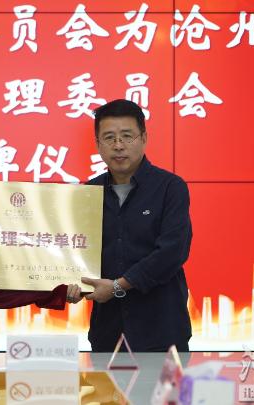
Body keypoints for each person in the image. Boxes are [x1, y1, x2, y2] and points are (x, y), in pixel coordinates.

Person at [75, 99, 193, 352]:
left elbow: (172, 252)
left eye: (127, 136)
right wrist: (71, 284)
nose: (118, 145)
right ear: (97, 144)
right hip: (108, 332)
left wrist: (118, 285)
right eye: (109, 138)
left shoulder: (170, 188)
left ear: (144, 138)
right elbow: (77, 252)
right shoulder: (88, 193)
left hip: (162, 332)